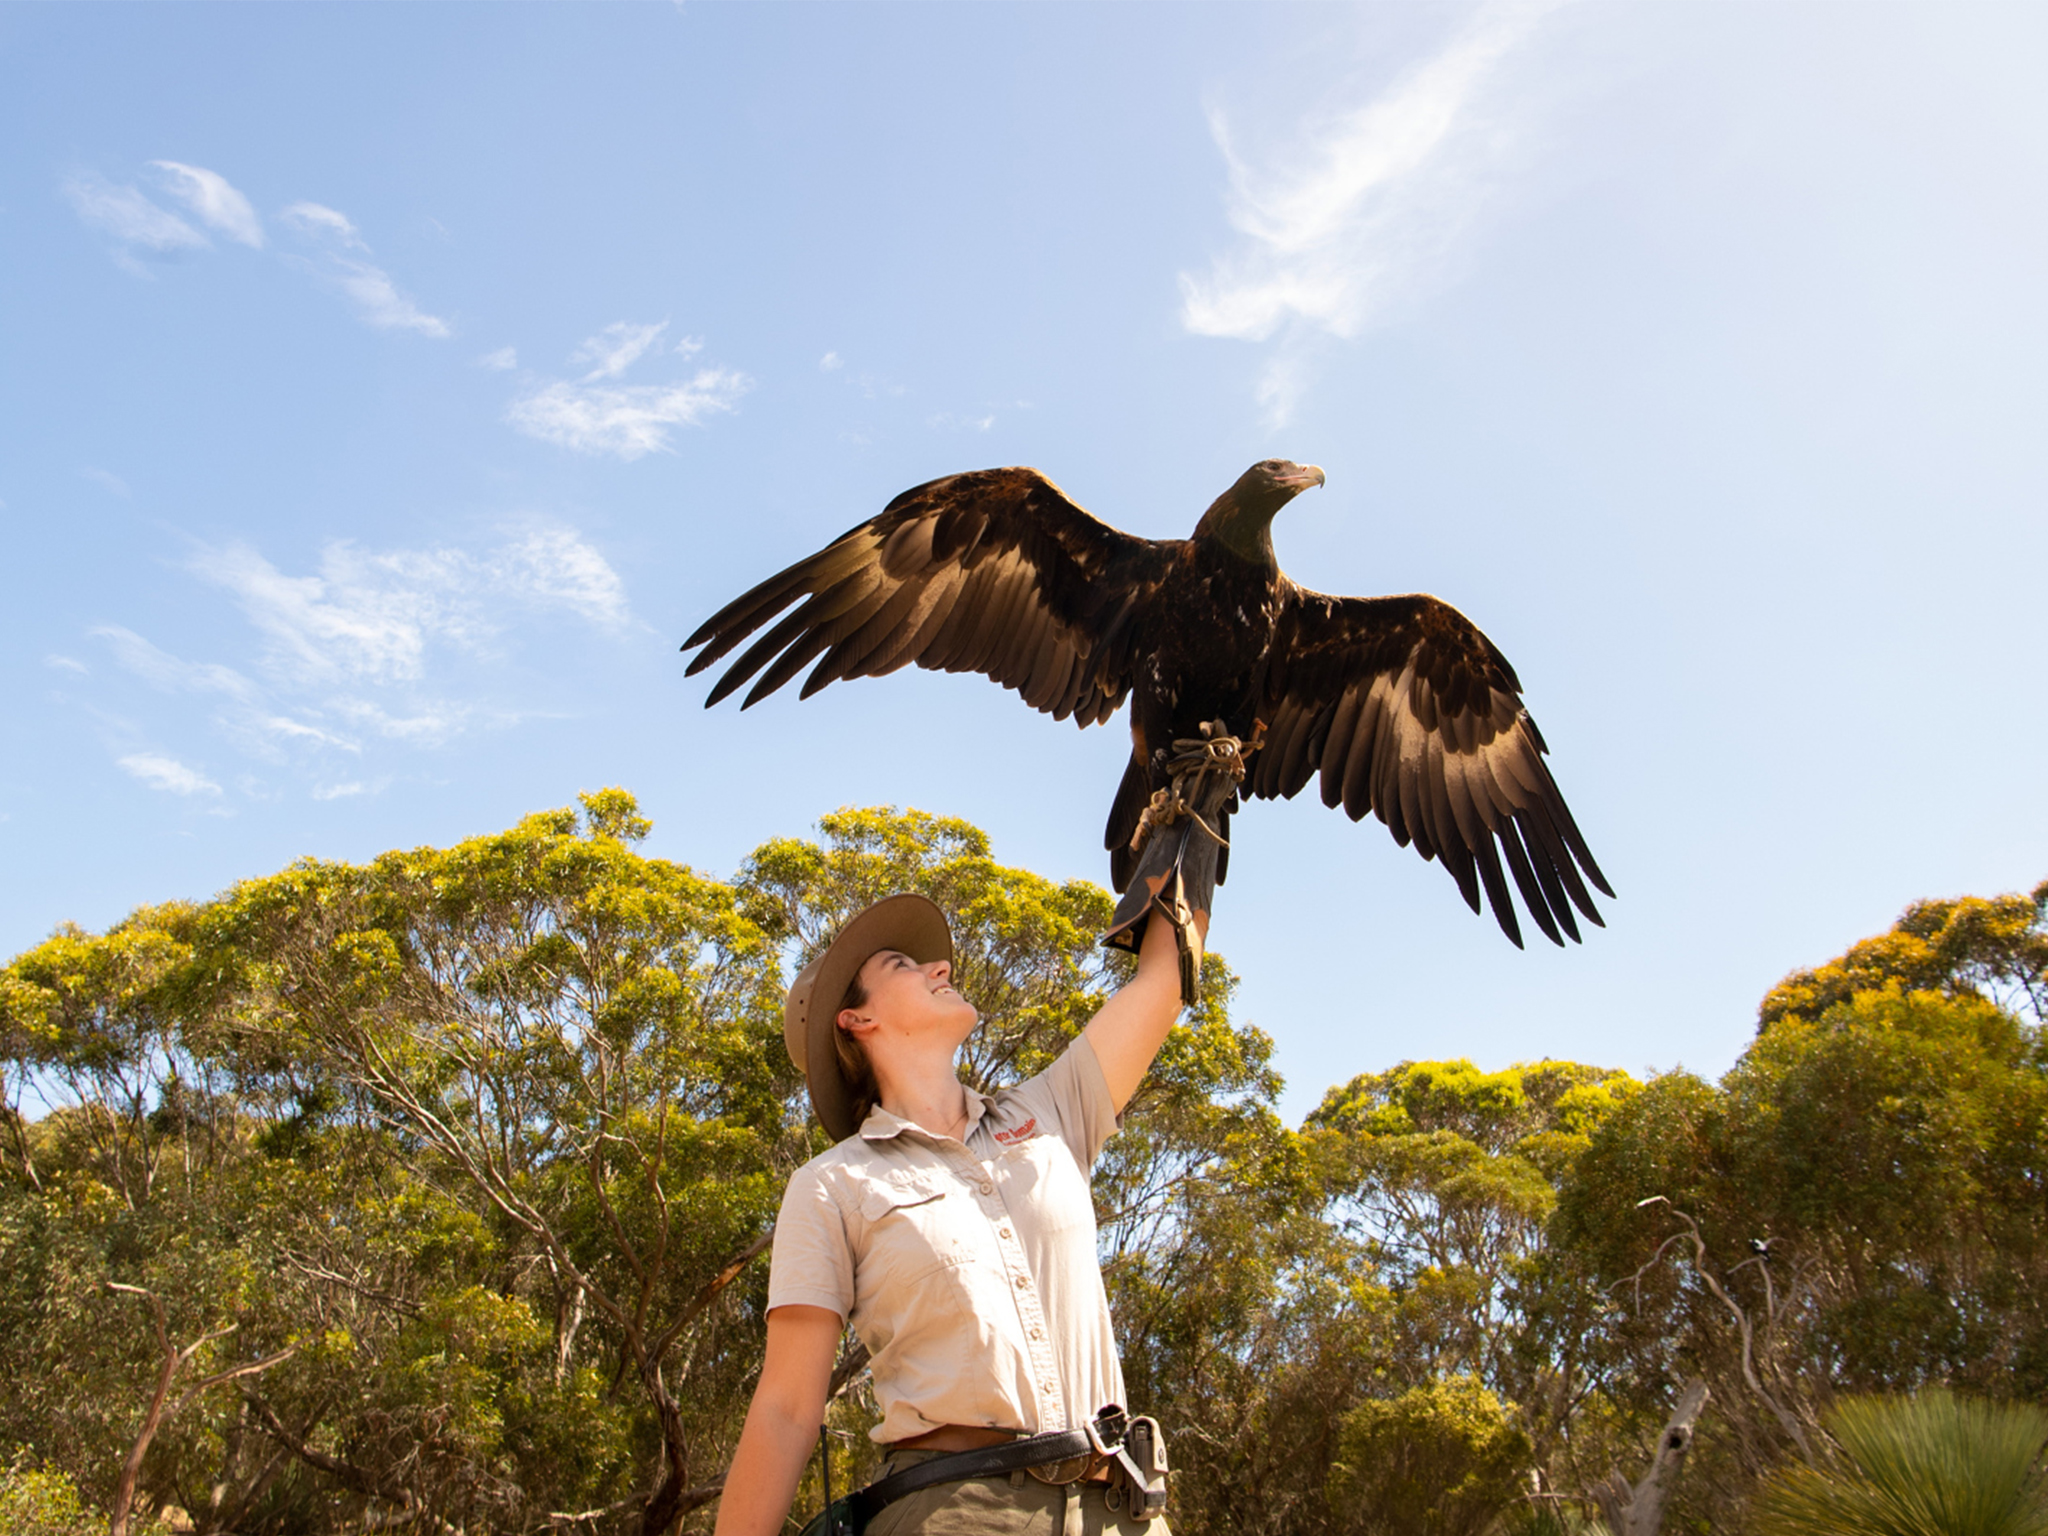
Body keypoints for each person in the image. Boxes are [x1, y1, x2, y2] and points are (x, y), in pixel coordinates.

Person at [713, 894, 1200, 1536]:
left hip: (1124, 1515)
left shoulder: (1051, 1109)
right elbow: (785, 1411)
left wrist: (1190, 826)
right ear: (855, 1018)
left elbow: (1163, 982)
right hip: (954, 1515)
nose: (940, 967)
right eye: (902, 964)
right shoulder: (832, 1184)